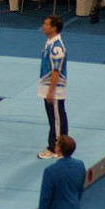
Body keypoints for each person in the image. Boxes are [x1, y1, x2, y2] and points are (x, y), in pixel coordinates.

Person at [38, 15, 67, 159]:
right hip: (48, 85)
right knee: (54, 118)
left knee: (56, 119)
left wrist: (51, 91)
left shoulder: (57, 48)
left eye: (46, 24)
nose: (43, 26)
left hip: (54, 87)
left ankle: (55, 148)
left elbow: (57, 70)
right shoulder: (49, 42)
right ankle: (62, 145)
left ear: (54, 28)